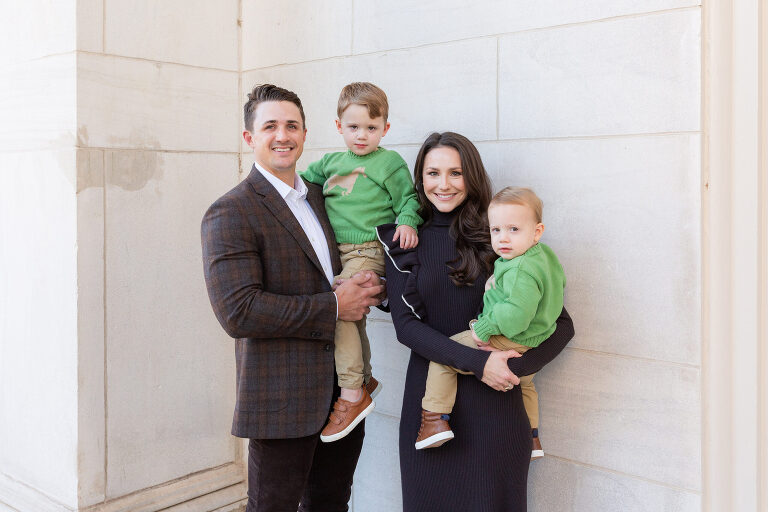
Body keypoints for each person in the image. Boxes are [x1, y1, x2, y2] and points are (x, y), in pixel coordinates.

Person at [201, 84, 384, 512]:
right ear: (250, 138)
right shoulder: (231, 210)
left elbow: (358, 257)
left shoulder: (324, 197)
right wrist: (335, 307)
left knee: (331, 504)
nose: (282, 135)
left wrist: (375, 285)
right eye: (270, 126)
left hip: (343, 395)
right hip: (281, 401)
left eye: (292, 125)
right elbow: (238, 311)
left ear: (305, 134)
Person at [377, 132, 575, 511]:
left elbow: (560, 324)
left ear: (473, 176)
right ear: (419, 179)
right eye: (433, 173)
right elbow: (406, 327)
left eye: (456, 172)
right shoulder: (404, 240)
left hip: (496, 410)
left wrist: (513, 366)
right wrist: (480, 362)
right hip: (431, 416)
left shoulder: (501, 236)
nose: (444, 184)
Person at [300, 82, 422, 443]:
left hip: (370, 248)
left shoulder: (389, 163)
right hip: (338, 252)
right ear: (339, 127)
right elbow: (302, 183)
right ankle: (365, 377)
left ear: (385, 128)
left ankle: (352, 393)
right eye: (353, 127)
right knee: (351, 316)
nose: (362, 135)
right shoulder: (331, 163)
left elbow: (409, 200)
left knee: (338, 310)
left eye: (372, 127)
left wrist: (407, 222)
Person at [415, 187, 565, 461]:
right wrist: (496, 285)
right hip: (537, 337)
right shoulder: (542, 257)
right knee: (526, 385)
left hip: (509, 336)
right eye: (496, 230)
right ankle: (532, 437)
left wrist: (483, 329)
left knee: (444, 355)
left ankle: (433, 420)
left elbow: (516, 314)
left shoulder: (519, 269)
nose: (503, 238)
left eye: (514, 230)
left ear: (537, 231)